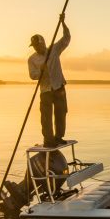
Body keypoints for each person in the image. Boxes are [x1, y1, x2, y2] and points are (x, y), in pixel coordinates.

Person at [28, 18, 71, 147]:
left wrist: (63, 23)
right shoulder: (32, 59)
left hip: (59, 87)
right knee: (46, 117)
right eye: (34, 46)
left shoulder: (54, 49)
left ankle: (58, 137)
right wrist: (41, 72)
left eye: (37, 45)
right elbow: (32, 75)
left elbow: (66, 38)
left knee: (61, 113)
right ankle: (48, 140)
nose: (36, 48)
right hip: (45, 90)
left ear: (43, 43)